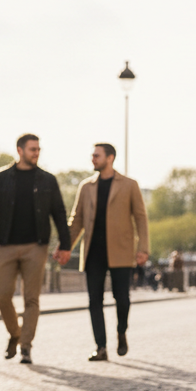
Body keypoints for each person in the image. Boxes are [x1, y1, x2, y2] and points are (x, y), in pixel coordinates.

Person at [0, 133, 72, 365]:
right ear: (19, 150)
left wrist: (65, 244)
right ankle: (15, 334)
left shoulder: (47, 180)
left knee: (32, 299)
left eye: (38, 149)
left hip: (35, 247)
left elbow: (59, 213)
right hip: (7, 246)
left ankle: (26, 346)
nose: (36, 153)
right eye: (32, 149)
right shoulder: (1, 178)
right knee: (1, 295)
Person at [68, 143, 150, 362]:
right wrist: (66, 247)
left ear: (110, 158)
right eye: (92, 155)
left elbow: (141, 217)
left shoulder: (129, 185)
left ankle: (121, 331)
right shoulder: (86, 187)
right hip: (93, 250)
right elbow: (76, 220)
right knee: (94, 300)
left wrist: (143, 248)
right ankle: (101, 347)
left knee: (122, 299)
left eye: (97, 155)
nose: (92, 159)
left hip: (121, 250)